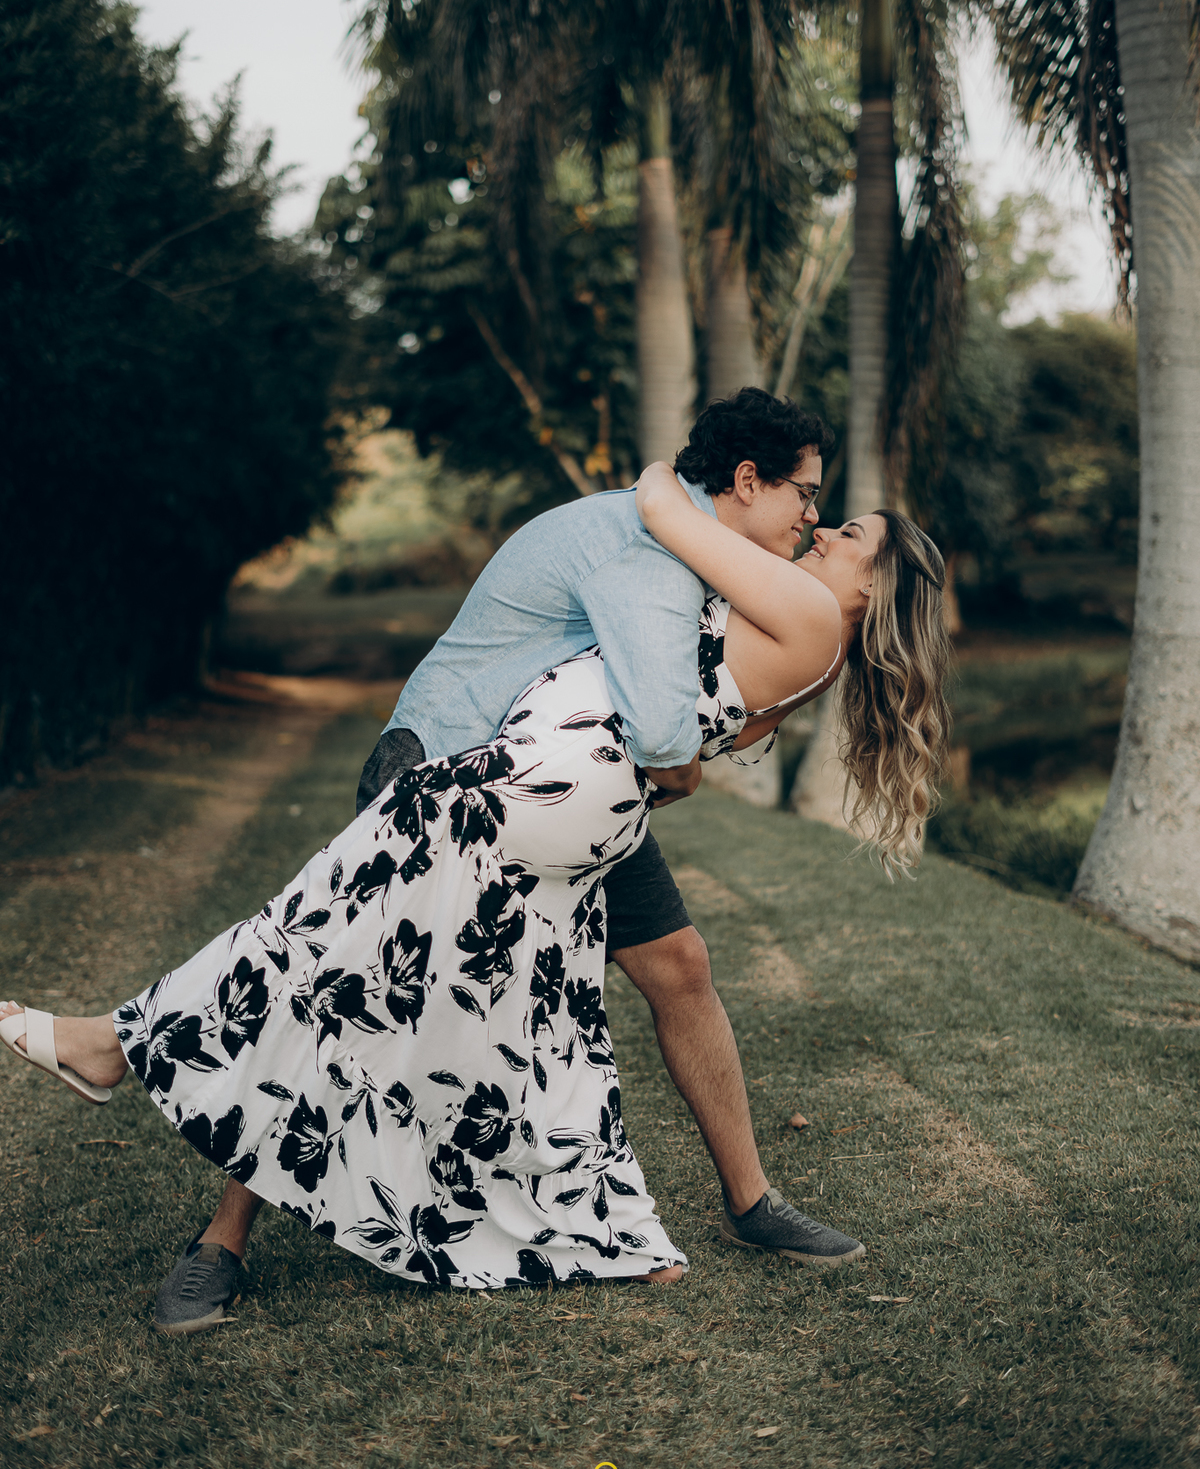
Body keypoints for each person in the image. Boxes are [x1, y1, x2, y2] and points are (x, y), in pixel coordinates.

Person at [0, 395, 949, 1323]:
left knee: (663, 974)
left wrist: (684, 741)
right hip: (460, 764)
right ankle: (219, 1241)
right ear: (747, 481)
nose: (815, 523)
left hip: (566, 808)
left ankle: (741, 1205)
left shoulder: (722, 561)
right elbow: (671, 726)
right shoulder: (655, 546)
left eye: (838, 523)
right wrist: (686, 754)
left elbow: (687, 702)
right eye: (809, 500)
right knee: (355, 992)